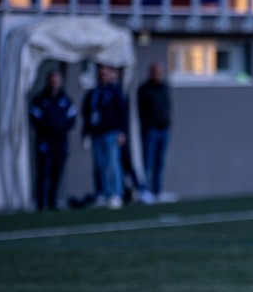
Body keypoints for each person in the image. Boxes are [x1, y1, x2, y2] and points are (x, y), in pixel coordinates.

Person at [81, 64, 129, 209]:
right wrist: (85, 133)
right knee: (100, 166)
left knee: (113, 164)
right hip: (97, 133)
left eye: (105, 74)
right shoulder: (93, 93)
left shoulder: (115, 91)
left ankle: (116, 193)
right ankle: (103, 193)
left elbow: (122, 112)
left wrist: (122, 131)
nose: (102, 76)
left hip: (111, 132)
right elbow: (87, 114)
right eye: (100, 74)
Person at [28, 70, 77, 211]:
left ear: (60, 82)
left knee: (57, 172)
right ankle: (40, 203)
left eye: (56, 81)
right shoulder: (40, 99)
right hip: (44, 140)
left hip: (60, 141)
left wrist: (60, 128)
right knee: (43, 172)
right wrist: (48, 128)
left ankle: (53, 201)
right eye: (52, 81)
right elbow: (34, 118)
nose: (54, 84)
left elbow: (72, 119)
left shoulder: (65, 99)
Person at [138, 62, 173, 203]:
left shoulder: (164, 88)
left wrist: (168, 123)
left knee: (160, 163)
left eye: (160, 72)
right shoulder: (145, 89)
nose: (158, 75)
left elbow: (167, 106)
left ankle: (158, 191)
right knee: (148, 162)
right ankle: (145, 191)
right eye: (156, 72)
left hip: (163, 129)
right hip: (150, 130)